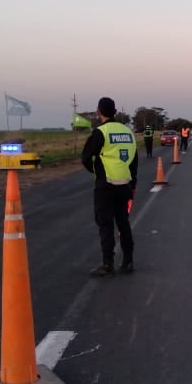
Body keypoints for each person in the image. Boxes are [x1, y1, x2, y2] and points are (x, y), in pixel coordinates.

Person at [82, 97, 138, 277]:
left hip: (105, 185)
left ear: (99, 112)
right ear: (115, 112)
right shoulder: (128, 132)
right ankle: (128, 262)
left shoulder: (100, 132)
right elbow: (134, 160)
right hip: (125, 184)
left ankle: (108, 264)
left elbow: (85, 157)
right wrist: (133, 184)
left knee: (105, 225)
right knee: (123, 222)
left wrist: (96, 171)